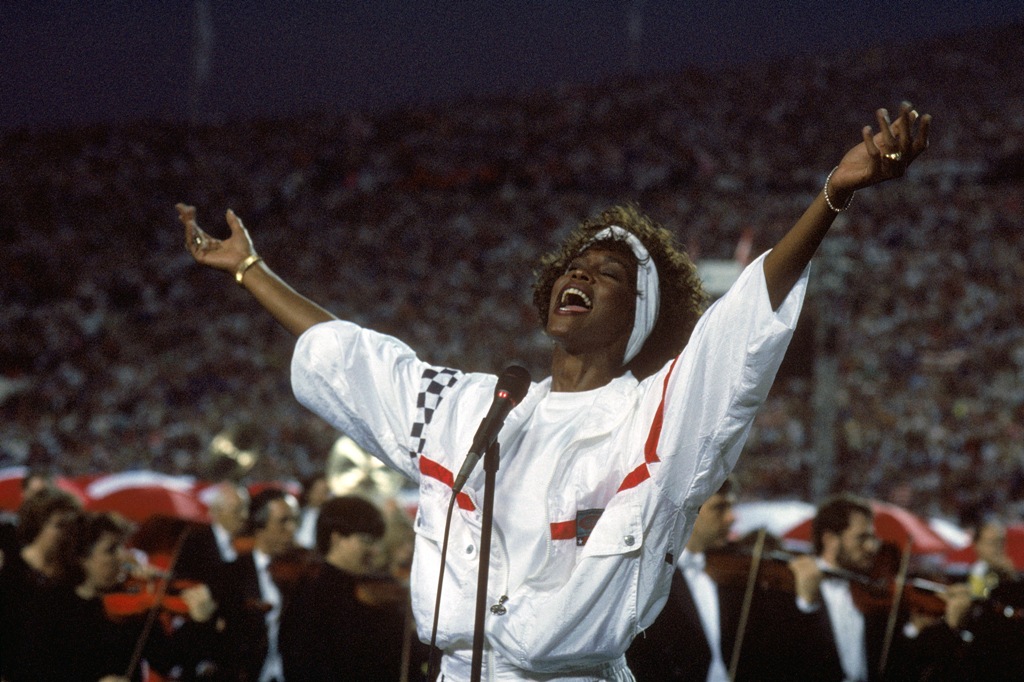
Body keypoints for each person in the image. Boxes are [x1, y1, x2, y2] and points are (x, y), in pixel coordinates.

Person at [179, 103, 930, 680]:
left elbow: (738, 331)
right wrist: (251, 272)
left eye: (610, 276)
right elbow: (353, 358)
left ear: (643, 321)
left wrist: (831, 197)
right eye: (575, 266)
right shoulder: (478, 407)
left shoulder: (655, 419)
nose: (583, 274)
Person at [13, 510, 219, 682]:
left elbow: (169, 663)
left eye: (122, 546)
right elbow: (29, 671)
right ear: (81, 557)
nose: (122, 557)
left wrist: (199, 623)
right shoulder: (50, 605)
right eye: (111, 550)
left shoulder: (133, 605)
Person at [626, 476, 781, 681]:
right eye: (719, 507)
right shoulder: (648, 576)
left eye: (731, 507)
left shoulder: (735, 573)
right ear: (687, 511)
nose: (731, 518)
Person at [280, 494, 422, 681]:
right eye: (366, 541)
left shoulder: (369, 588)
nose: (375, 550)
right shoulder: (312, 593)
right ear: (337, 538)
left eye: (375, 541)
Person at [220, 487, 302, 682]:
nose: (292, 529)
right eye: (283, 521)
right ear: (259, 524)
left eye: (295, 520)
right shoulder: (231, 574)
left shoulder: (304, 574)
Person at [176, 480, 250, 601]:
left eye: (246, 508)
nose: (245, 515)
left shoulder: (247, 542)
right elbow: (183, 582)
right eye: (238, 510)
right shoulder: (195, 542)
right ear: (217, 511)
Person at [294, 473, 331, 550]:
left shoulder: (329, 519)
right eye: (317, 492)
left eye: (325, 492)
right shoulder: (296, 513)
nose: (321, 497)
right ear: (308, 493)